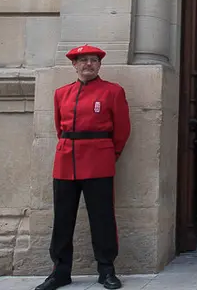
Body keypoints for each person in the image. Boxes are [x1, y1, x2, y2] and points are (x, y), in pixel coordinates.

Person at [36, 45, 131, 290]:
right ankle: (60, 270)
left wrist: (111, 154)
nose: (88, 64)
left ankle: (106, 269)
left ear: (99, 65)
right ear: (74, 65)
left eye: (93, 60)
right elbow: (60, 128)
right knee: (63, 219)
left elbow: (121, 130)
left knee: (102, 218)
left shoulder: (113, 91)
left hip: (99, 161)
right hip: (66, 162)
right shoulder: (61, 93)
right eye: (83, 60)